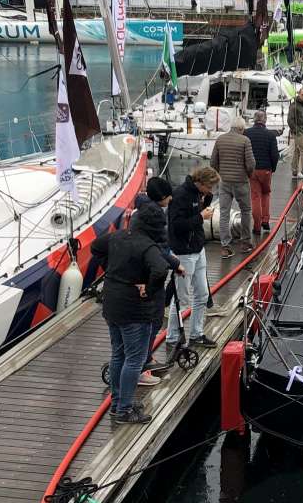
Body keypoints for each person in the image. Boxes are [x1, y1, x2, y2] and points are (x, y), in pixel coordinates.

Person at [92, 203, 171, 424]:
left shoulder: (116, 237)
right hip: (134, 309)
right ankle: (124, 409)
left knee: (118, 355)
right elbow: (160, 269)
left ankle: (118, 403)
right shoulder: (148, 246)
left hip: (112, 302)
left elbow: (96, 248)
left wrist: (110, 268)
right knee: (134, 359)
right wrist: (149, 287)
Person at [132, 177, 184, 378]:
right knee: (152, 320)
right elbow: (157, 249)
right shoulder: (154, 217)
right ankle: (142, 363)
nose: (171, 199)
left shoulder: (141, 213)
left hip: (140, 273)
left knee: (149, 321)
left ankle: (145, 357)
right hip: (149, 275)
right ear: (162, 197)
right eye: (169, 195)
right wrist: (175, 263)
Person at [167, 166, 219, 348]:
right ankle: (172, 337)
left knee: (202, 294)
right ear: (201, 183)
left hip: (198, 248)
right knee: (181, 298)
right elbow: (177, 226)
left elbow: (195, 213)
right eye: (210, 188)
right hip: (184, 252)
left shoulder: (198, 193)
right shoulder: (181, 195)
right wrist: (200, 216)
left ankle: (197, 334)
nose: (210, 191)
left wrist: (205, 203)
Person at [210, 118, 255, 258]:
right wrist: (248, 175)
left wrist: (221, 173)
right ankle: (245, 242)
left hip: (224, 182)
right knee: (246, 211)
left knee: (224, 213)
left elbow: (213, 162)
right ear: (241, 129)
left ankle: (225, 246)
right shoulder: (245, 141)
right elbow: (251, 163)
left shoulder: (220, 139)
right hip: (241, 182)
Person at [244, 110, 279, 235]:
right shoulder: (270, 135)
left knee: (255, 197)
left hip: (252, 170)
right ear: (265, 120)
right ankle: (266, 220)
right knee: (266, 194)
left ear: (254, 120)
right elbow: (275, 155)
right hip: (266, 170)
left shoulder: (246, 133)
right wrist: (272, 168)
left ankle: (257, 227)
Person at [288, 87, 303, 178]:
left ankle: (294, 170)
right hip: (298, 131)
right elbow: (290, 120)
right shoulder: (294, 105)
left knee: (297, 151)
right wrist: (296, 131)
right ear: (299, 94)